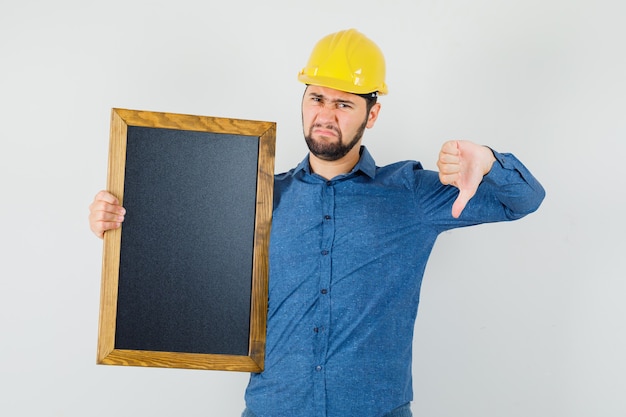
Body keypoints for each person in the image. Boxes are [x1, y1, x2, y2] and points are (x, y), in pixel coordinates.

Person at [89, 29, 545, 417]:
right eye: (317, 98)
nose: (325, 115)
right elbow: (178, 251)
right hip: (272, 408)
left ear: (373, 113)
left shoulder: (410, 194)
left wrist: (486, 161)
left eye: (344, 104)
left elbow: (522, 200)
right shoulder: (258, 195)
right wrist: (119, 219)